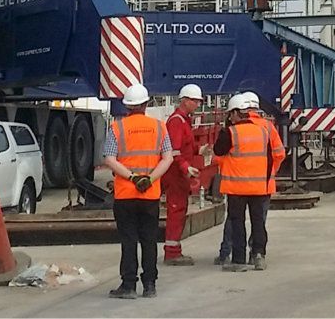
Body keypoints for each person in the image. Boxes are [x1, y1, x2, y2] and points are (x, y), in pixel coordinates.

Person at [103, 82, 173, 299]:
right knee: (149, 240)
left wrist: (132, 177)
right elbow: (168, 158)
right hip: (149, 194)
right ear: (146, 104)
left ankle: (129, 285)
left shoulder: (117, 128)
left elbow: (109, 159)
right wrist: (149, 179)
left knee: (129, 240)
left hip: (125, 194)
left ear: (127, 106)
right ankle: (150, 285)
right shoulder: (160, 127)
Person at [214, 91, 284, 272]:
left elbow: (218, 153)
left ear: (236, 112)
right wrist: (269, 175)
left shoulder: (231, 132)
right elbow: (276, 155)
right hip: (260, 186)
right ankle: (258, 255)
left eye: (230, 114)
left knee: (237, 222)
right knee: (258, 222)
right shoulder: (264, 130)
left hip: (237, 187)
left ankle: (238, 260)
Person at [161, 83, 206, 265]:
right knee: (176, 210)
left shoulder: (182, 121)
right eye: (195, 101)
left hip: (179, 175)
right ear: (185, 101)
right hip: (175, 176)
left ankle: (174, 250)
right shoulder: (177, 122)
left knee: (179, 210)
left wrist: (199, 150)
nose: (198, 104)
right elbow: (174, 150)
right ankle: (172, 253)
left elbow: (185, 146)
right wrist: (186, 167)